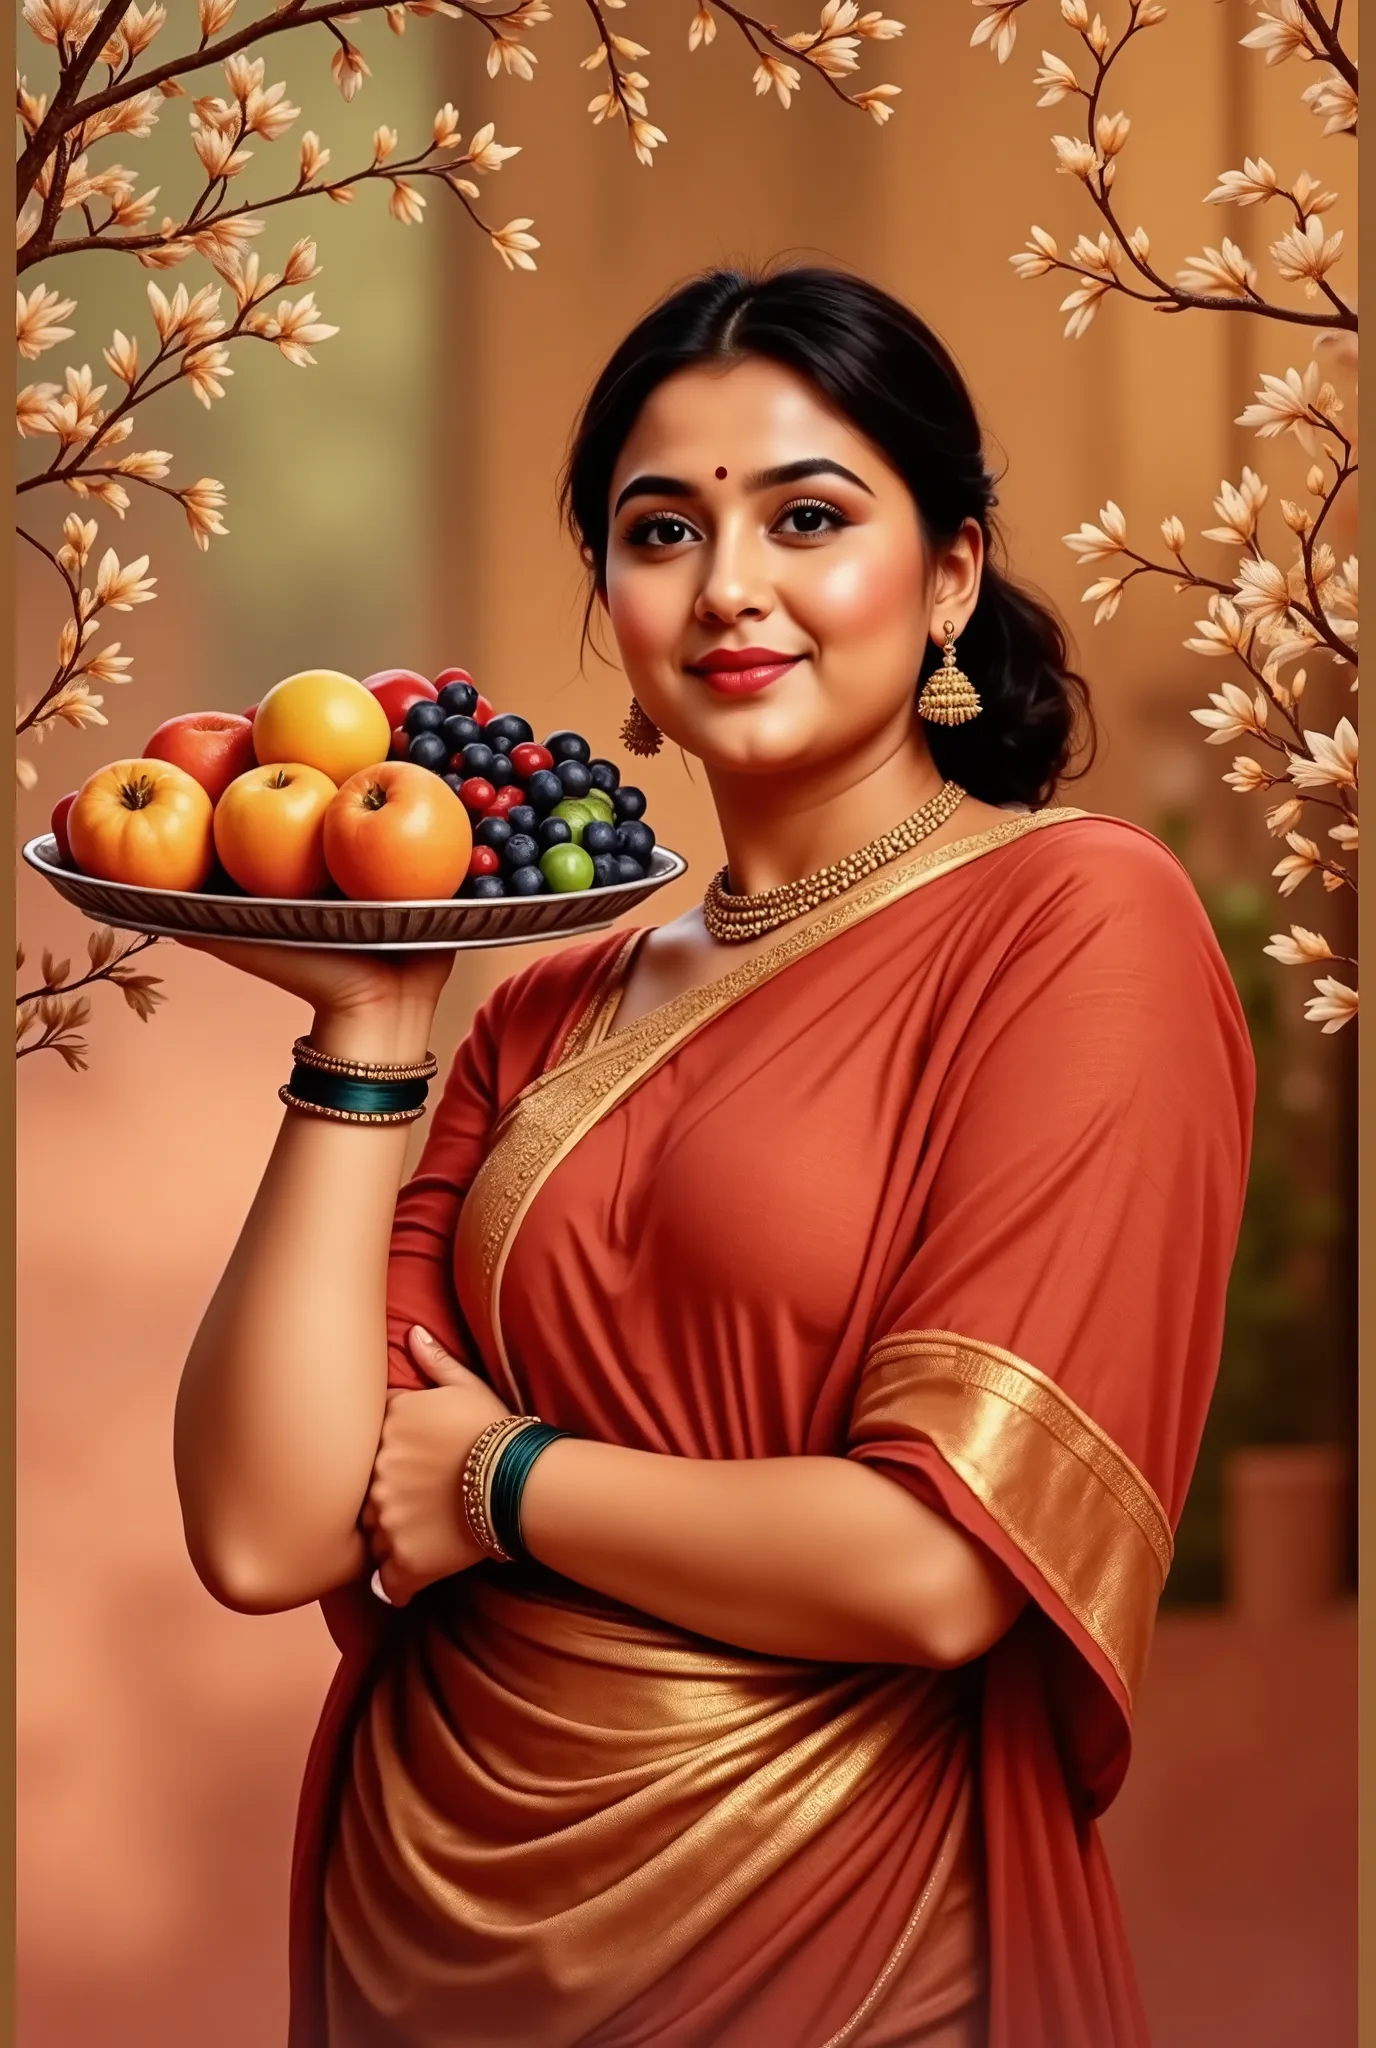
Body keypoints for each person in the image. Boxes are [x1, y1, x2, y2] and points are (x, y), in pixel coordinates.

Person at [172, 264, 1255, 2048]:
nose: (730, 587)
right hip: (422, 1929)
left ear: (952, 577)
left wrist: (503, 1480)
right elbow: (264, 1521)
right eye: (659, 529)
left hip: (843, 1936)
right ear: (609, 599)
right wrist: (369, 1034)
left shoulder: (1076, 921)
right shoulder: (547, 1007)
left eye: (808, 518)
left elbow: (937, 1567)